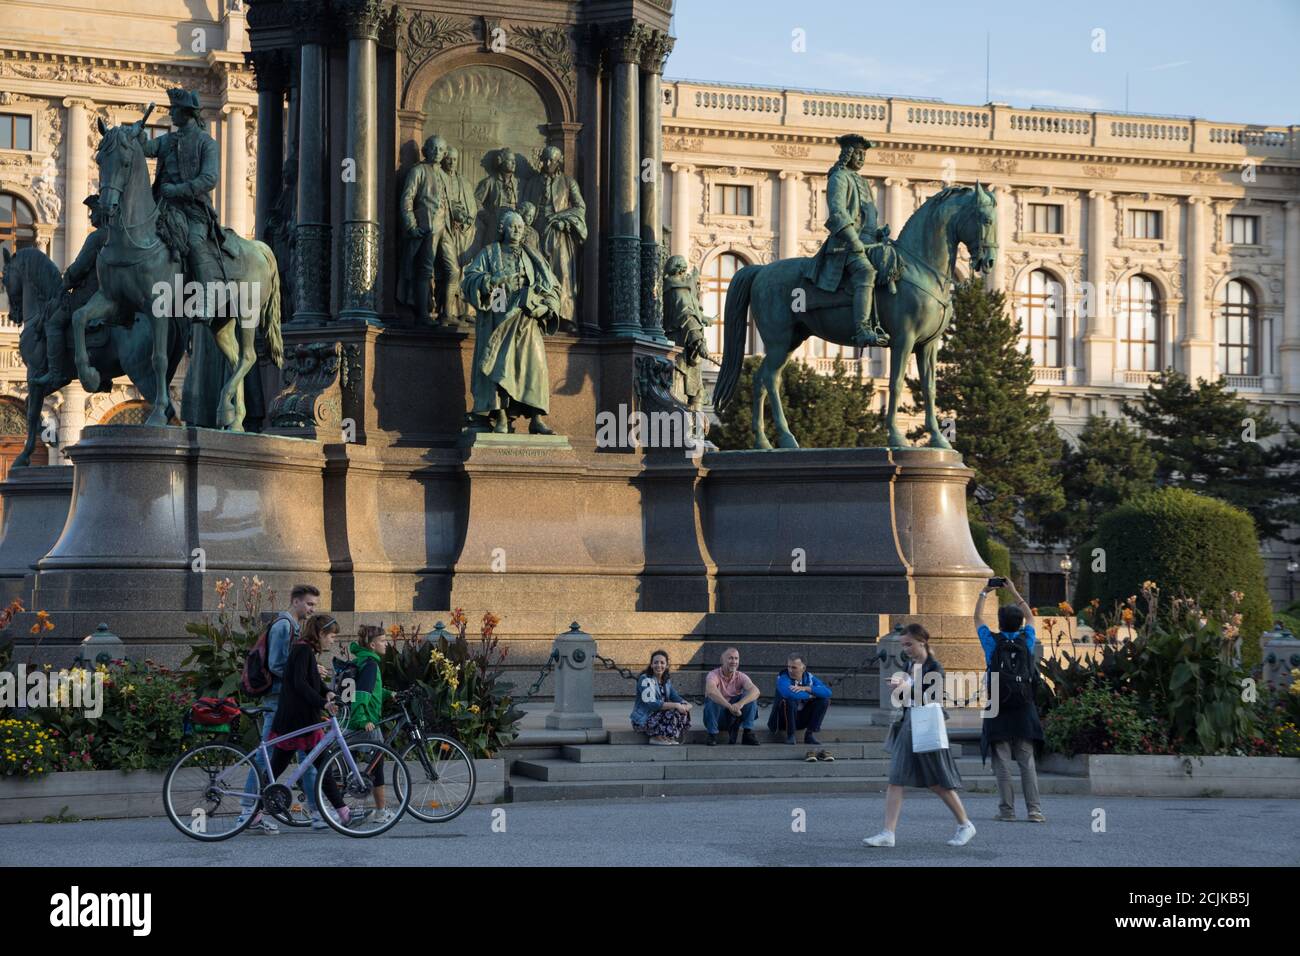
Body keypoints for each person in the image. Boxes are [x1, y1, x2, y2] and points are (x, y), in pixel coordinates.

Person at [863, 623, 976, 848]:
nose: (906, 649)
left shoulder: (935, 667)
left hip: (927, 726)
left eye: (909, 644)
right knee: (896, 777)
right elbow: (907, 698)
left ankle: (965, 824)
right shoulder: (909, 664)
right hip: (909, 724)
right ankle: (888, 832)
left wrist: (902, 687)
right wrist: (898, 688)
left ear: (922, 641)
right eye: (904, 645)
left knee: (937, 781)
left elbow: (930, 698)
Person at [460, 210, 562, 435]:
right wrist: (489, 281)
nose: (517, 230)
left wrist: (545, 305)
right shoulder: (489, 253)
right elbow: (469, 279)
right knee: (499, 366)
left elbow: (551, 286)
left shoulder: (532, 256)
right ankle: (501, 417)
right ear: (502, 229)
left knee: (536, 367)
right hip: (499, 315)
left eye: (520, 227)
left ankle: (536, 417)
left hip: (526, 317)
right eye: (512, 226)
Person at [237, 583, 320, 834]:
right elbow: (277, 664)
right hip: (277, 700)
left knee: (306, 754)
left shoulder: (293, 626)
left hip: (288, 700)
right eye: (309, 604)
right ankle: (248, 811)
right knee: (266, 756)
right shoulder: (284, 626)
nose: (312, 609)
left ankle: (318, 812)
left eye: (314, 605)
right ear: (295, 601)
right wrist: (303, 678)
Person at [801, 132, 889, 348]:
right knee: (866, 272)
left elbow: (867, 216)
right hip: (846, 246)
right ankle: (862, 330)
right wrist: (854, 240)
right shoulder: (839, 178)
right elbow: (838, 213)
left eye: (863, 154)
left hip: (870, 244)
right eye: (857, 153)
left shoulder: (863, 183)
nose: (861, 158)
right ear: (847, 154)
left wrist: (879, 233)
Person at [268, 613, 352, 830]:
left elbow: (309, 680)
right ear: (321, 634)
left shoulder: (304, 649)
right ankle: (343, 813)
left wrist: (328, 693)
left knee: (295, 765)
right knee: (313, 765)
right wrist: (323, 703)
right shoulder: (303, 649)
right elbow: (300, 684)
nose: (332, 641)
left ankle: (343, 812)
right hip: (298, 720)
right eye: (332, 636)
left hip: (299, 719)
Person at [975, 579, 1046, 823]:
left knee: (1002, 763)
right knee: (1027, 761)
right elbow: (1031, 618)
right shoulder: (1027, 639)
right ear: (1018, 623)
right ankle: (1034, 810)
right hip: (1024, 706)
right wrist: (1014, 591)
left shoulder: (992, 642)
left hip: (998, 706)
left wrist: (985, 592)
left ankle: (1007, 811)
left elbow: (977, 619)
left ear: (1000, 622)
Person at [32, 194, 107, 388]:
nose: (91, 218)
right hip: (113, 292)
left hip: (90, 293)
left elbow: (81, 265)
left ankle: (56, 374)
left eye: (93, 213)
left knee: (54, 323)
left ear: (101, 213)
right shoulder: (121, 235)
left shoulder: (97, 236)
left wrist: (67, 282)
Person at [398, 134, 458, 327]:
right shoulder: (419, 171)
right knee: (425, 270)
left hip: (446, 227)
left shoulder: (445, 174)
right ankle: (423, 313)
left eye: (441, 149)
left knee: (453, 270)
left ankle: (447, 312)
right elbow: (407, 198)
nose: (437, 153)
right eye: (433, 148)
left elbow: (449, 201)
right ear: (425, 150)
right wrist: (411, 225)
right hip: (427, 226)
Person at [524, 145, 587, 324]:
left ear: (559, 161)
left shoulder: (568, 182)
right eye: (544, 159)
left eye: (551, 160)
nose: (546, 163)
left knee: (562, 273)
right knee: (538, 273)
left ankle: (565, 316)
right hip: (536, 232)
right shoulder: (532, 183)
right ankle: (539, 314)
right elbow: (525, 205)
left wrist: (562, 218)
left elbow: (579, 207)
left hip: (559, 234)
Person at [344, 625, 396, 825]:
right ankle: (381, 812)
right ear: (373, 645)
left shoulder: (364, 660)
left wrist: (389, 694)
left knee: (364, 763)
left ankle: (339, 805)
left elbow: (371, 690)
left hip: (358, 718)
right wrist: (362, 720)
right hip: (365, 721)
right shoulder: (371, 664)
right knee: (377, 764)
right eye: (383, 641)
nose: (386, 644)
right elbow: (362, 694)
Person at [767, 653, 833, 759]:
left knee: (824, 700)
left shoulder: (809, 678)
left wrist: (807, 688)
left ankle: (809, 734)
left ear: (803, 668)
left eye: (794, 667)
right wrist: (811, 695)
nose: (790, 670)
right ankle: (790, 735)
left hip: (800, 718)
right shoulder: (783, 677)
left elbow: (827, 692)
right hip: (783, 720)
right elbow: (788, 693)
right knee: (790, 700)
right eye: (788, 666)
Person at [629, 650, 692, 745]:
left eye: (662, 663)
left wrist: (686, 704)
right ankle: (655, 738)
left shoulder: (666, 681)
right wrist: (676, 705)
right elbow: (653, 704)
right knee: (673, 710)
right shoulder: (645, 679)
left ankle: (666, 736)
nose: (659, 665)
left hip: (657, 717)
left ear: (666, 666)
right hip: (643, 719)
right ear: (651, 665)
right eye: (656, 662)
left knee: (681, 711)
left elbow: (675, 697)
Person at [702, 648, 760, 746]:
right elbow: (711, 691)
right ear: (722, 660)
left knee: (750, 697)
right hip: (718, 717)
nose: (734, 662)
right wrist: (730, 706)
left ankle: (747, 733)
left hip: (734, 717)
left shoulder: (741, 676)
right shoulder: (713, 675)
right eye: (730, 658)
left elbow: (756, 691)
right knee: (712, 699)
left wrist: (739, 704)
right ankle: (712, 735)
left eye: (736, 659)